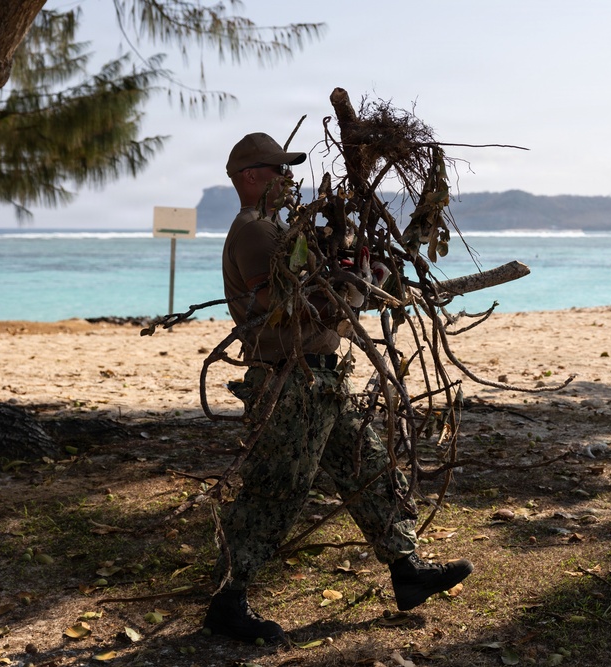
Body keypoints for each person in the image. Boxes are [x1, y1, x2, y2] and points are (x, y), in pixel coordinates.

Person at [204, 132, 473, 644]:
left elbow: (318, 289)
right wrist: (355, 288)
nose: (288, 179)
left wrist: (359, 269)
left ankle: (406, 570)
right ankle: (227, 601)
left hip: (319, 377)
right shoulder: (256, 233)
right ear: (250, 177)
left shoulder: (276, 229)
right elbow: (297, 305)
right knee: (276, 490)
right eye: (278, 170)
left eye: (288, 171)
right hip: (291, 380)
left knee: (367, 466)